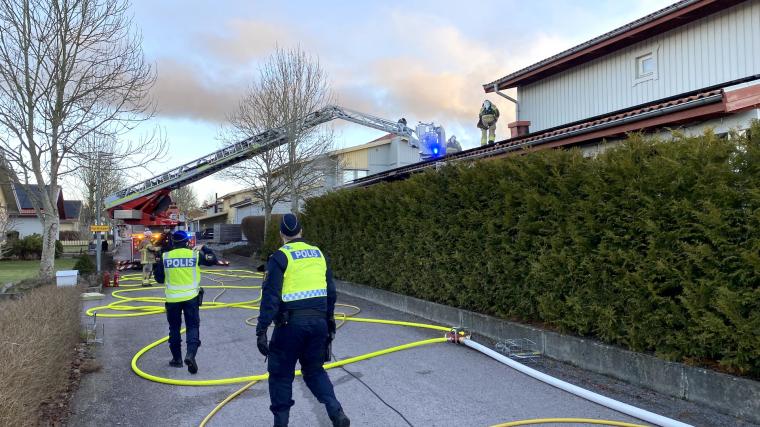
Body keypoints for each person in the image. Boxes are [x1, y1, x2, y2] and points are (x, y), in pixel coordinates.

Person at [256, 214, 350, 427]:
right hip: (318, 324)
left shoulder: (280, 257)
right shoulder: (318, 254)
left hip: (290, 327)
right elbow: (331, 292)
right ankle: (336, 411)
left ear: (282, 235)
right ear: (301, 231)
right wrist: (330, 320)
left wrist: (261, 330)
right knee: (315, 370)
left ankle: (281, 423)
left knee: (280, 376)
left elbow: (271, 297)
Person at [153, 230, 215, 374]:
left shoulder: (166, 257)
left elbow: (159, 279)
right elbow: (212, 259)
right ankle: (191, 355)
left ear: (173, 243)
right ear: (187, 242)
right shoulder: (194, 255)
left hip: (172, 299)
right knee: (192, 326)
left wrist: (158, 264)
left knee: (174, 328)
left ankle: (177, 359)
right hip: (191, 298)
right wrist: (204, 248)